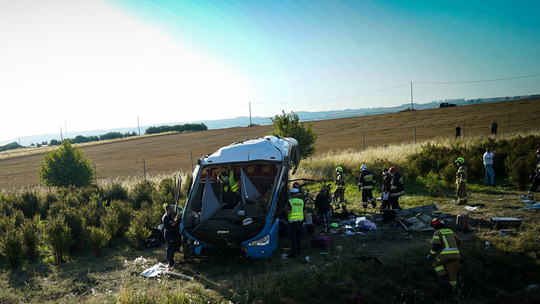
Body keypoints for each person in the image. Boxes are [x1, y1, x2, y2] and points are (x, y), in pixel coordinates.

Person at [428, 218, 461, 291]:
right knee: (452, 272)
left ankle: (444, 278)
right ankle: (453, 289)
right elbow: (458, 241)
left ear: (434, 226)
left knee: (436, 263)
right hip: (456, 254)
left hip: (446, 254)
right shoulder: (450, 231)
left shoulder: (437, 233)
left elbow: (435, 246)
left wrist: (430, 255)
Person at [286, 188, 306, 258]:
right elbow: (305, 210)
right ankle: (299, 249)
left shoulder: (290, 201)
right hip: (300, 221)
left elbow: (288, 211)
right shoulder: (301, 201)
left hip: (292, 222)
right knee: (299, 236)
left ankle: (294, 252)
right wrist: (304, 219)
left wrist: (284, 208)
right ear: (297, 194)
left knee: (293, 237)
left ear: (291, 194)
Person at [162, 203, 182, 267]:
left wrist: (175, 216)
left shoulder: (168, 216)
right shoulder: (167, 216)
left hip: (168, 233)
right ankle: (170, 262)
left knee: (169, 247)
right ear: (168, 209)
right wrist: (177, 218)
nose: (172, 209)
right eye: (171, 208)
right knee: (172, 247)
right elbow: (173, 223)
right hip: (169, 234)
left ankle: (170, 261)